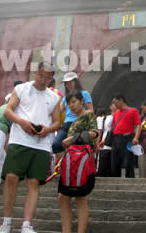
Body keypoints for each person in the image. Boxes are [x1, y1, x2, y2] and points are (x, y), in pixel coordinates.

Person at [0, 62, 62, 233]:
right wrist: (22, 122)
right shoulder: (21, 89)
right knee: (11, 177)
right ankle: (6, 221)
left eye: (47, 78)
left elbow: (57, 122)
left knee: (34, 182)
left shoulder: (54, 97)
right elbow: (8, 110)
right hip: (19, 141)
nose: (43, 80)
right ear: (36, 73)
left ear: (51, 79)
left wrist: (47, 129)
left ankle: (26, 224)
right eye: (41, 76)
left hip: (41, 145)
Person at [56, 90, 98, 233]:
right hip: (72, 159)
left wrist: (72, 138)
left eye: (74, 102)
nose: (71, 105)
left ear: (81, 101)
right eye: (68, 103)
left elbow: (95, 133)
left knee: (80, 197)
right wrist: (62, 160)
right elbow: (71, 146)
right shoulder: (74, 121)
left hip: (83, 159)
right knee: (63, 196)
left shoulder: (88, 114)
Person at [52, 72, 93, 160]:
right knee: (55, 145)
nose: (68, 85)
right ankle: (67, 164)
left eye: (70, 82)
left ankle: (74, 165)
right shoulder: (65, 97)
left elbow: (91, 110)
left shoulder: (84, 93)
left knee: (76, 147)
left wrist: (81, 116)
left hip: (80, 123)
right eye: (66, 83)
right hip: (66, 124)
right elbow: (59, 110)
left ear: (76, 81)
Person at [110, 94, 141, 178]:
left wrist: (136, 138)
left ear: (121, 100)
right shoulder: (116, 113)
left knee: (128, 162)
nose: (114, 104)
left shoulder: (133, 110)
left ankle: (130, 180)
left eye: (115, 102)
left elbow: (138, 125)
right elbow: (112, 128)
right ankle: (115, 180)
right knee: (115, 163)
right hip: (116, 139)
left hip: (127, 138)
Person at [97, 105, 114, 177]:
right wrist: (97, 145)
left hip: (115, 147)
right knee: (102, 170)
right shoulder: (104, 118)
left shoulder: (121, 117)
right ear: (110, 107)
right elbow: (99, 133)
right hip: (104, 147)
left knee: (112, 171)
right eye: (113, 103)